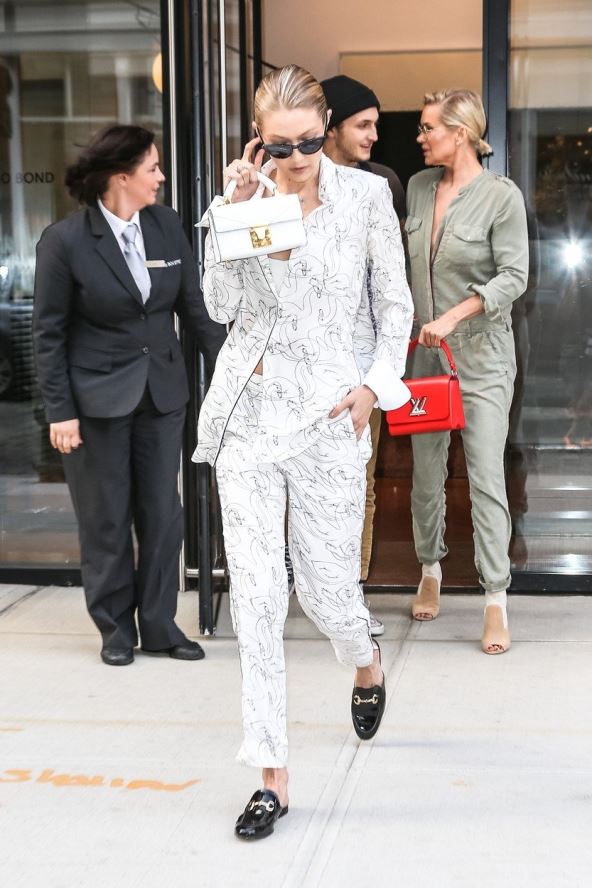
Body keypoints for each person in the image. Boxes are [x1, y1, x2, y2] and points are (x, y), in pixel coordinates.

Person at [193, 64, 413, 839]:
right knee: (256, 597)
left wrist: (374, 388)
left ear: (326, 132)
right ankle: (272, 776)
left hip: (329, 418)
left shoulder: (365, 199)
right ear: (259, 139)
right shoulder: (245, 201)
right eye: (279, 146)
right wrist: (233, 214)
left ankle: (364, 656)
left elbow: (394, 306)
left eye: (309, 143)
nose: (295, 160)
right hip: (250, 419)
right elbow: (219, 307)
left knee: (324, 593)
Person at [33, 125, 226, 667]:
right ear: (122, 177)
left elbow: (195, 309)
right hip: (95, 403)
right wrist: (60, 412)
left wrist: (237, 373)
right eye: (152, 168)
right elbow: (48, 334)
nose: (160, 177)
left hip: (161, 396)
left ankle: (160, 626)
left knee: (163, 516)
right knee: (107, 519)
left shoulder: (165, 226)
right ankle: (115, 629)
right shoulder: (65, 241)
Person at [405, 89, 529, 653]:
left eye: (428, 128)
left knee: (484, 474)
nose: (420, 137)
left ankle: (495, 597)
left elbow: (514, 276)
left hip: (481, 357)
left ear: (460, 134)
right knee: (426, 472)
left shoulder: (501, 197)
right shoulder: (418, 187)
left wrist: (453, 316)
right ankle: (429, 569)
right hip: (425, 356)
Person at [322, 73, 407, 636]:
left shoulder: (381, 184)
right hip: (297, 366)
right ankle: (306, 587)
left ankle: (350, 598)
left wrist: (378, 374)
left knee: (360, 487)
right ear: (330, 125)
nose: (374, 135)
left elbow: (390, 286)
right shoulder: (282, 183)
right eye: (363, 124)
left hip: (359, 368)